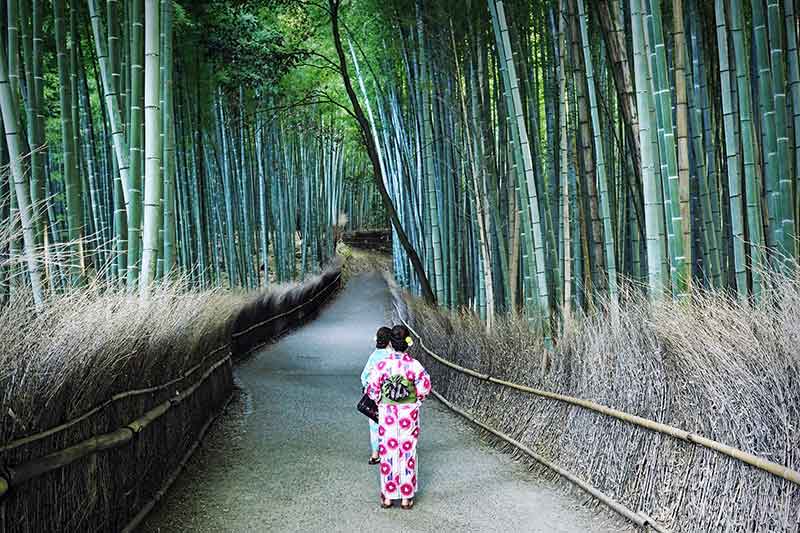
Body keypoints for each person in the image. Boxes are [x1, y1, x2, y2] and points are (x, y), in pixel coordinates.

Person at [366, 325, 431, 510]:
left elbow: (372, 388)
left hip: (387, 414)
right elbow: (425, 387)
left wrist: (381, 399)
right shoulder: (414, 365)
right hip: (408, 414)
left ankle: (387, 497)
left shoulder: (382, 365)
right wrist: (416, 400)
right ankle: (405, 498)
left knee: (388, 453)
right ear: (407, 343)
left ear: (391, 344)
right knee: (407, 453)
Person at [361, 326, 392, 465]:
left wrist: (370, 388)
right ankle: (390, 451)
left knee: (374, 425)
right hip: (391, 397)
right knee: (390, 424)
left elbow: (364, 376)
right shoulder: (392, 356)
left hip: (375, 397)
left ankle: (375, 454)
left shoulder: (373, 356)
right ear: (389, 341)